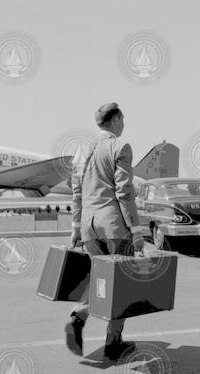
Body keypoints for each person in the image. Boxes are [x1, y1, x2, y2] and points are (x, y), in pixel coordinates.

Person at [66, 102, 144, 360]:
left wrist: (76, 228)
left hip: (89, 226)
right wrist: (136, 229)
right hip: (113, 225)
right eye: (123, 118)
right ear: (116, 120)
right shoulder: (120, 147)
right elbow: (124, 192)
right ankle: (113, 343)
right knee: (122, 285)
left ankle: (78, 318)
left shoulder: (81, 153)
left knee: (99, 278)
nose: (125, 123)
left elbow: (76, 194)